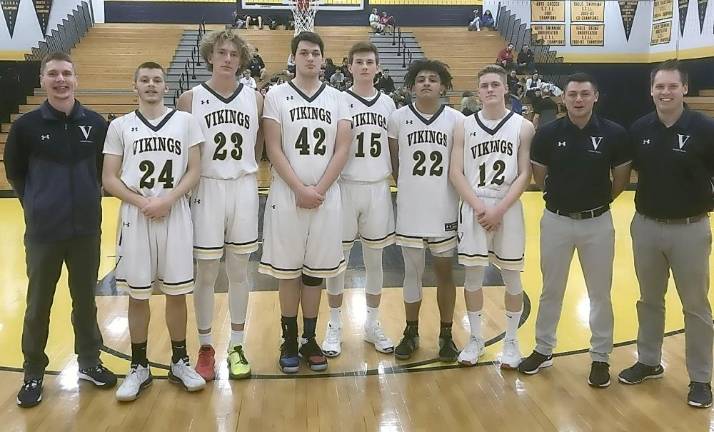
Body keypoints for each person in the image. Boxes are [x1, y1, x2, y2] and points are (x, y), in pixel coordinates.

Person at [5, 52, 117, 408]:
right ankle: (33, 372)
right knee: (39, 305)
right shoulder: (26, 127)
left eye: (67, 73)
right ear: (43, 80)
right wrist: (36, 204)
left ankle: (89, 362)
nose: (61, 80)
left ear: (76, 79)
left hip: (86, 229)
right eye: (53, 74)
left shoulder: (96, 125)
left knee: (85, 302)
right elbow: (15, 173)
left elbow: (104, 170)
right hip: (44, 233)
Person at [519, 73, 631, 387]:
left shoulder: (614, 134)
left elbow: (620, 179)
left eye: (584, 94)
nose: (578, 99)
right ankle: (543, 349)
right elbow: (540, 177)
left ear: (596, 96)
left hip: (597, 222)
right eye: (572, 94)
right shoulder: (548, 134)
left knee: (599, 294)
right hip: (556, 220)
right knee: (551, 290)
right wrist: (563, 200)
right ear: (563, 98)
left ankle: (600, 357)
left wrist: (596, 202)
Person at [104, 62, 206, 401]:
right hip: (136, 214)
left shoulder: (186, 122)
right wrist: (142, 201)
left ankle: (180, 360)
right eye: (144, 80)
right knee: (137, 295)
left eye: (157, 80)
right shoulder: (120, 126)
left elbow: (195, 170)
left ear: (166, 85)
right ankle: (138, 366)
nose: (151, 85)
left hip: (174, 213)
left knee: (177, 293)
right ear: (134, 86)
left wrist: (169, 199)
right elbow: (109, 178)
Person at [618, 59, 714, 408]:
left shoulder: (704, 128)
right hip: (646, 226)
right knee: (648, 301)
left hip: (690, 229)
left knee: (696, 306)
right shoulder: (640, 128)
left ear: (684, 89)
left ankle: (701, 378)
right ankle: (648, 360)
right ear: (651, 90)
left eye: (672, 86)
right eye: (660, 86)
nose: (666, 92)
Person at [259, 31, 352, 374]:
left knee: (315, 275)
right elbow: (273, 147)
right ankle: (288, 338)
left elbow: (343, 147)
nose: (310, 58)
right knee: (288, 272)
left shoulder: (339, 98)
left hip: (326, 197)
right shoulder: (277, 96)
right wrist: (299, 188)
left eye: (315, 53)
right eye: (304, 53)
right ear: (293, 58)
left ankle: (309, 340)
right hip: (287, 194)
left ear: (323, 60)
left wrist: (319, 189)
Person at [176, 29, 263, 381]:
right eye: (221, 52)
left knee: (240, 272)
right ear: (210, 56)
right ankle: (207, 346)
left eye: (234, 54)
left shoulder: (256, 99)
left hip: (243, 187)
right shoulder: (189, 99)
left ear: (241, 60)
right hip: (206, 189)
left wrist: (245, 172)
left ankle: (238, 345)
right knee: (207, 274)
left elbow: (257, 147)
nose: (227, 59)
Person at [449, 65, 534, 368]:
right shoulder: (464, 125)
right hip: (475, 205)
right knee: (473, 276)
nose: (489, 90)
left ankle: (511, 341)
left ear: (506, 88)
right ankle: (475, 338)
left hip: (507, 206)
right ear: (478, 90)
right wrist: (480, 207)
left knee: (512, 275)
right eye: (484, 85)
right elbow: (455, 172)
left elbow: (525, 174)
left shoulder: (523, 126)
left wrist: (499, 209)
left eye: (495, 84)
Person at [321, 42, 397, 357]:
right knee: (337, 262)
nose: (365, 67)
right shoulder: (338, 101)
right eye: (359, 62)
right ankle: (335, 325)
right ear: (349, 67)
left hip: (379, 187)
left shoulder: (389, 104)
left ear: (377, 67)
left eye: (370, 62)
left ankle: (372, 324)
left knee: (375, 261)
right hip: (346, 187)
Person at [387, 59, 464, 361]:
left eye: (433, 79)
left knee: (445, 271)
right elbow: (396, 164)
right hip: (411, 207)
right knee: (412, 272)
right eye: (421, 79)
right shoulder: (397, 118)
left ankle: (446, 334)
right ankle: (411, 331)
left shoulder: (457, 120)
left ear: (443, 86)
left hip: (444, 206)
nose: (427, 83)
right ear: (411, 86)